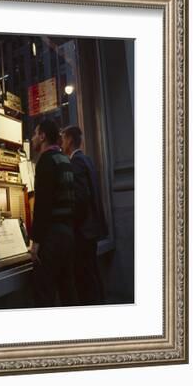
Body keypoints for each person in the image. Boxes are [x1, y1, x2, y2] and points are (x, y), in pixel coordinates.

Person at [29, 119, 77, 307]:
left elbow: (43, 205)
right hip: (67, 233)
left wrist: (35, 242)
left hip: (51, 237)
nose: (32, 138)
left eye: (35, 134)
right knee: (67, 289)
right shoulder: (65, 159)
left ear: (42, 136)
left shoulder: (45, 161)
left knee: (44, 294)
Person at [61, 125, 108, 305]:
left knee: (84, 279)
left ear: (70, 140)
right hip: (92, 228)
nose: (62, 143)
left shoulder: (75, 163)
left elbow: (81, 197)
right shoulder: (87, 160)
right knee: (93, 272)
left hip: (82, 231)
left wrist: (72, 224)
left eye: (63, 138)